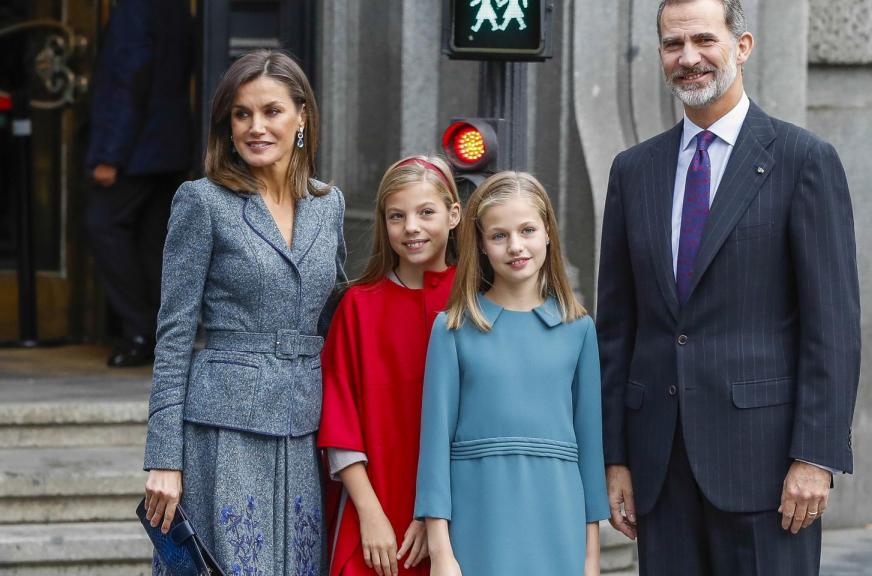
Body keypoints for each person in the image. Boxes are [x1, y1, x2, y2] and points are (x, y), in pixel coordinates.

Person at [597, 0, 861, 574]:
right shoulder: (633, 170)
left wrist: (815, 456)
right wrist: (614, 458)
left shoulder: (803, 160)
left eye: (703, 40)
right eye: (672, 45)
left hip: (766, 470)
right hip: (659, 467)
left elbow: (832, 326)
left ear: (741, 47)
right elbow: (616, 328)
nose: (688, 58)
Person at [141, 50, 346, 576]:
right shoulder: (202, 201)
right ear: (226, 124)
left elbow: (339, 313)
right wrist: (164, 456)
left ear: (302, 116)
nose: (256, 127)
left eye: (272, 111)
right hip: (222, 428)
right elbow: (174, 333)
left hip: (303, 426)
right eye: (241, 114)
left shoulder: (329, 204)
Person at [415, 172, 609, 576]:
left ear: (548, 233)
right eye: (499, 235)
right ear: (482, 246)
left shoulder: (579, 330)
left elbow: (591, 452)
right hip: (478, 519)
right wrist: (441, 552)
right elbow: (434, 446)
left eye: (527, 230)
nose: (516, 246)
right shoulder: (453, 328)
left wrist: (591, 560)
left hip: (559, 520)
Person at [318, 155, 462, 576]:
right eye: (396, 216)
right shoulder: (358, 306)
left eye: (426, 213)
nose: (411, 227)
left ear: (453, 215)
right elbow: (339, 418)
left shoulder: (474, 302)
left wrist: (433, 517)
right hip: (375, 507)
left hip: (460, 514)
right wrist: (370, 513)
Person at [84, 0, 192, 367]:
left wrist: (108, 155)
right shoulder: (177, 8)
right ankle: (163, 337)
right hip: (169, 141)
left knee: (103, 224)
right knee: (152, 241)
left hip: (136, 148)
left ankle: (140, 329)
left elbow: (129, 79)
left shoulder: (134, 7)